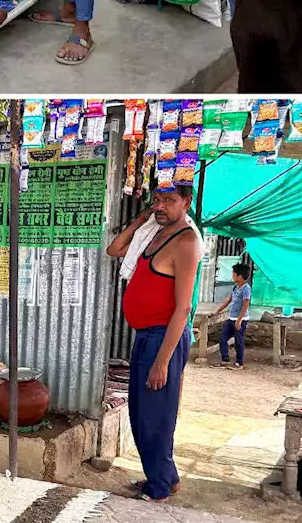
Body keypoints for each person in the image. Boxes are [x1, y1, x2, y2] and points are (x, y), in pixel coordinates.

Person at [107, 186, 202, 503]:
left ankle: (159, 488)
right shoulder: (155, 232)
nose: (161, 206)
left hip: (164, 338)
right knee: (142, 411)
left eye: (169, 201)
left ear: (186, 202)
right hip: (146, 335)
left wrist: (162, 361)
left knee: (154, 417)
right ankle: (166, 477)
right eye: (157, 200)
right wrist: (143, 218)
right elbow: (115, 248)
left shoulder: (186, 242)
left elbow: (183, 309)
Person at [216, 264, 253, 369]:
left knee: (238, 341)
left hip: (241, 320)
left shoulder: (246, 289)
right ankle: (225, 360)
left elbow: (246, 305)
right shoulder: (235, 287)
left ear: (240, 277)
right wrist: (217, 311)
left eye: (233, 274)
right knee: (222, 338)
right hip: (231, 318)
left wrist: (239, 321)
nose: (232, 276)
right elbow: (228, 300)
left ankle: (239, 363)